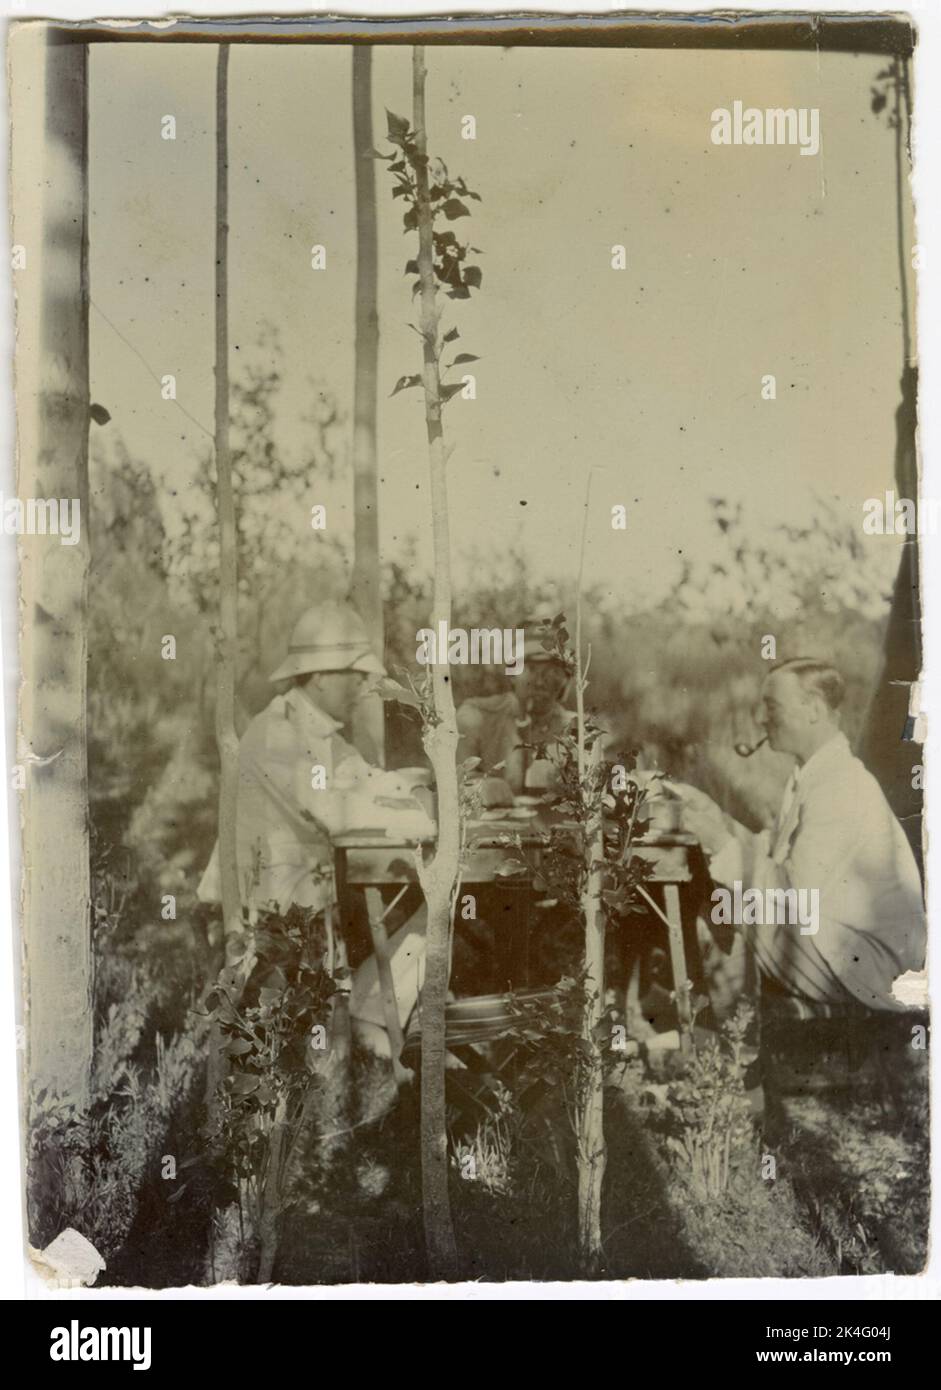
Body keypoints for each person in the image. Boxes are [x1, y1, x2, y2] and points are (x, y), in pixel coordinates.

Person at [197, 601, 428, 1055]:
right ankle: (368, 1031)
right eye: (354, 676)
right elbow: (335, 812)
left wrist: (420, 788)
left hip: (302, 908)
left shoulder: (320, 733)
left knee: (422, 913)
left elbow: (370, 782)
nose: (363, 687)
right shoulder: (275, 733)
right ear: (320, 676)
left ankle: (370, 1029)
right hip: (255, 915)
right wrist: (424, 817)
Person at [668, 658, 925, 1013]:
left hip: (873, 964)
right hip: (844, 944)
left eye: (772, 706)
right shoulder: (818, 775)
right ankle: (742, 1028)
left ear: (813, 710)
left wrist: (721, 843)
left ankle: (737, 1036)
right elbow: (774, 856)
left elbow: (795, 893)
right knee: (726, 901)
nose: (761, 718)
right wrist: (717, 818)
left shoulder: (839, 784)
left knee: (725, 904)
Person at [456, 619, 573, 806]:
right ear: (511, 674)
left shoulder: (576, 731)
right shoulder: (476, 715)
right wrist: (480, 786)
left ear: (565, 681)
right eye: (531, 670)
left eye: (551, 672)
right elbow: (452, 782)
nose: (540, 682)